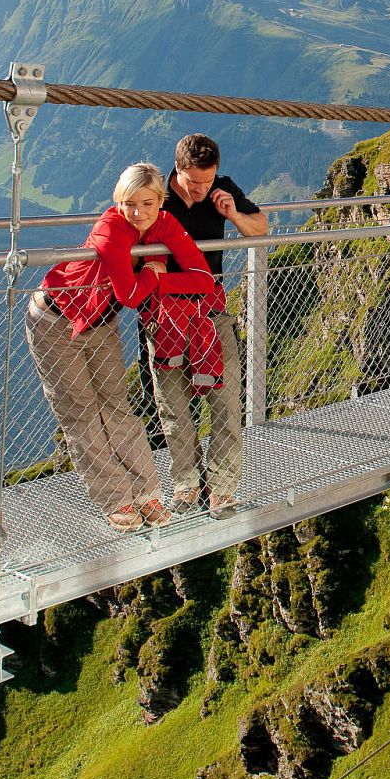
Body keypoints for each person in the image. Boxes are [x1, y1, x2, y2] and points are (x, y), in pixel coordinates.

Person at [26, 162, 218, 532]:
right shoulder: (111, 228)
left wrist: (159, 280)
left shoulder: (165, 224)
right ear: (119, 201)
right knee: (82, 413)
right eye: (129, 203)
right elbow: (130, 294)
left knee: (117, 408)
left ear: (160, 201)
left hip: (101, 322)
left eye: (147, 203)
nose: (138, 212)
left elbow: (203, 280)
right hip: (56, 320)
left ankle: (147, 493)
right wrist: (153, 272)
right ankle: (116, 499)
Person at [143, 133, 268, 520]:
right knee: (174, 407)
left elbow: (261, 227)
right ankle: (186, 484)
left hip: (210, 312)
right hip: (163, 313)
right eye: (193, 181)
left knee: (226, 401)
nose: (201, 189)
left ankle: (222, 489)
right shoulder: (155, 196)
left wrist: (233, 215)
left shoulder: (221, 188)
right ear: (177, 169)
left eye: (207, 180)